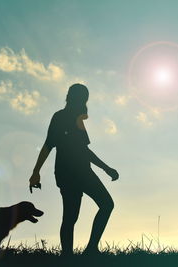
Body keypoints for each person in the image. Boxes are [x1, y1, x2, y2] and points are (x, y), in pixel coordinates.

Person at [29, 83, 119, 255]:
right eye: (83, 98)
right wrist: (36, 172)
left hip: (78, 172)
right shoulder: (61, 117)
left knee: (101, 206)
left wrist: (106, 168)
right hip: (72, 173)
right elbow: (49, 145)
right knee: (74, 215)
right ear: (74, 98)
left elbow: (83, 149)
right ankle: (72, 255)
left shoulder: (76, 118)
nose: (84, 102)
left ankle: (87, 250)